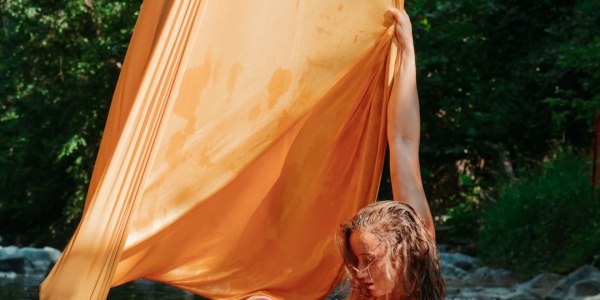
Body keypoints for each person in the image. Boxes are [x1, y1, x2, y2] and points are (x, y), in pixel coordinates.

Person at [337, 8, 444, 299]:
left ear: (405, 254)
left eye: (370, 259)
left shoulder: (420, 249)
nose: (360, 273)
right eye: (358, 260)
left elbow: (404, 141)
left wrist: (407, 51)